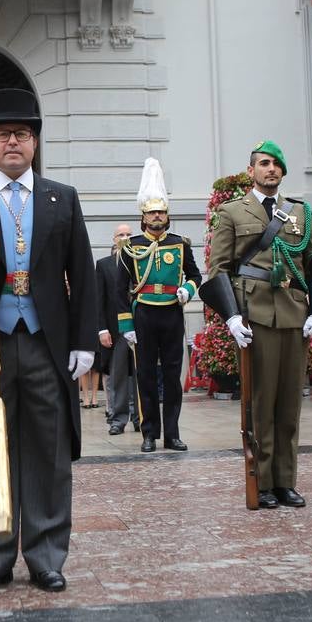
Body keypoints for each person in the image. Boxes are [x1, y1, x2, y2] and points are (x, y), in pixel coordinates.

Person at [0, 87, 97, 595]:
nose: (12, 142)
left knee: (48, 451)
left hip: (44, 343)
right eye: (1, 134)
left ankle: (45, 554)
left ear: (34, 143)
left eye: (21, 134)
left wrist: (84, 341)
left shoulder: (63, 197)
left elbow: (82, 273)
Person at [207, 140, 312, 509]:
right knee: (260, 403)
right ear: (251, 170)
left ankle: (286, 481)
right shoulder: (232, 212)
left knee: (289, 403)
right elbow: (218, 269)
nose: (271, 169)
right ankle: (263, 481)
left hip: (292, 314)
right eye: (264, 163)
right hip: (254, 315)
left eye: (277, 164)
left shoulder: (300, 213)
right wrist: (231, 316)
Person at [116, 159, 202, 453]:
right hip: (144, 313)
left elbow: (195, 275)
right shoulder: (131, 246)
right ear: (143, 215)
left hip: (171, 313)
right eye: (152, 212)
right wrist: (126, 326)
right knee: (146, 376)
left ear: (167, 215)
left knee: (172, 377)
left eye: (161, 211)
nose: (157, 216)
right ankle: (149, 433)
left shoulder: (180, 244)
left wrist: (187, 291)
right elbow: (120, 289)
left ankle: (173, 434)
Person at [96, 224, 137, 435]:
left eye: (129, 234)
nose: (125, 237)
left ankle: (141, 418)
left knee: (141, 375)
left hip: (141, 326)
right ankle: (118, 419)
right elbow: (99, 299)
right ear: (114, 239)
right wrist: (102, 329)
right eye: (121, 234)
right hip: (117, 328)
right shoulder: (104, 265)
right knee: (118, 376)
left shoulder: (141, 259)